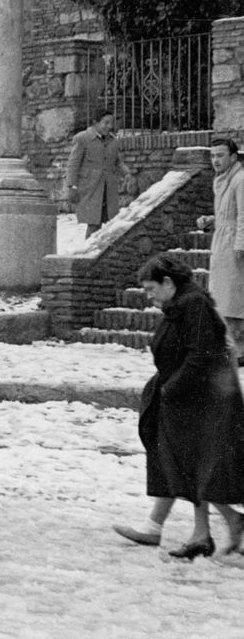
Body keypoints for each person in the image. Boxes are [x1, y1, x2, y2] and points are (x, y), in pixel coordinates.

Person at [111, 254, 244, 558]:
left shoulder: (192, 305)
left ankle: (206, 529)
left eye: (151, 289)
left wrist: (171, 388)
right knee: (187, 462)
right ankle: (207, 530)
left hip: (201, 397)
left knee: (190, 463)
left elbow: (199, 355)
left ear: (168, 283)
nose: (149, 296)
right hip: (192, 395)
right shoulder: (182, 304)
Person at [197, 136, 243, 361]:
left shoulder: (240, 179)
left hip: (234, 244)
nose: (215, 160)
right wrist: (212, 220)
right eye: (212, 155)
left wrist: (240, 245)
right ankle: (230, 347)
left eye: (220, 155)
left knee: (233, 296)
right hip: (223, 240)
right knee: (222, 295)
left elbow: (243, 215)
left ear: (233, 157)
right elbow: (228, 214)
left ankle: (238, 349)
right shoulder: (222, 179)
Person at [64, 111, 127, 237]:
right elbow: (73, 164)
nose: (109, 126)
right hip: (90, 188)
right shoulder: (82, 138)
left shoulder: (114, 141)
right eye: (106, 123)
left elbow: (118, 162)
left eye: (111, 123)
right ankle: (89, 253)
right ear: (95, 123)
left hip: (109, 188)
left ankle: (103, 253)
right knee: (94, 224)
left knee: (111, 222)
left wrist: (127, 174)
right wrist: (71, 186)